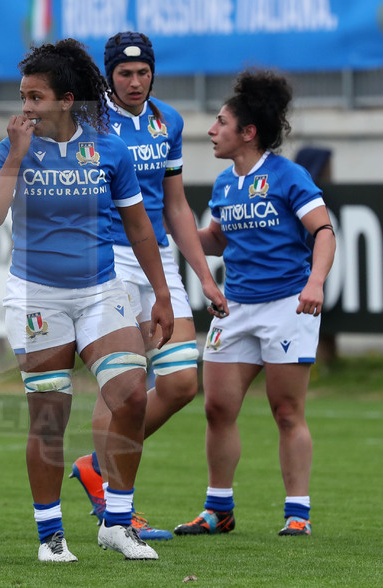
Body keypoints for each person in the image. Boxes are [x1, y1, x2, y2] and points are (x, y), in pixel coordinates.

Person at [0, 38, 174, 562]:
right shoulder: (13, 146)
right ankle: (51, 535)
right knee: (49, 417)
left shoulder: (109, 147)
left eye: (35, 97)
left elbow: (140, 229)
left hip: (100, 290)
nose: (25, 108)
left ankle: (118, 521)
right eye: (23, 96)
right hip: (36, 295)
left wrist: (162, 295)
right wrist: (15, 156)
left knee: (131, 396)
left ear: (66, 99)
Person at [69, 32, 228, 540]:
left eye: (142, 73)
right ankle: (120, 507)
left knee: (182, 383)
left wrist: (204, 275)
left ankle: (98, 465)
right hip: (109, 258)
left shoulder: (168, 121)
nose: (135, 82)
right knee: (124, 387)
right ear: (108, 75)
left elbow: (176, 205)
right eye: (124, 74)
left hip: (158, 260)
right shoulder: (88, 121)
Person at [173, 69, 335, 537]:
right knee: (217, 408)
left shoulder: (288, 175)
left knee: (287, 412)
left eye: (221, 122)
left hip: (287, 305)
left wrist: (315, 282)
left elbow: (323, 232)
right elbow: (218, 239)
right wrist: (170, 232)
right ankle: (218, 509)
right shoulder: (226, 184)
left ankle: (298, 513)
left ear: (248, 132)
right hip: (235, 308)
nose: (211, 130)